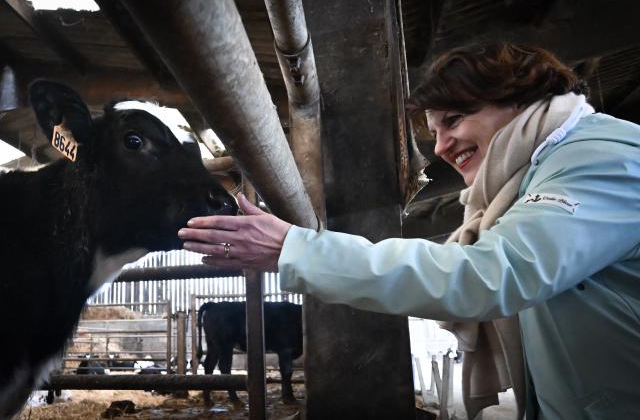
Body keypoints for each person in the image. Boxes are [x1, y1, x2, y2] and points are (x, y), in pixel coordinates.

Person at [178, 42, 640, 419]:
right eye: (434, 130)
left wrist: (296, 249)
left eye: (454, 120)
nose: (439, 147)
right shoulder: (534, 178)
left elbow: (491, 274)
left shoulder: (600, 160)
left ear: (520, 100)